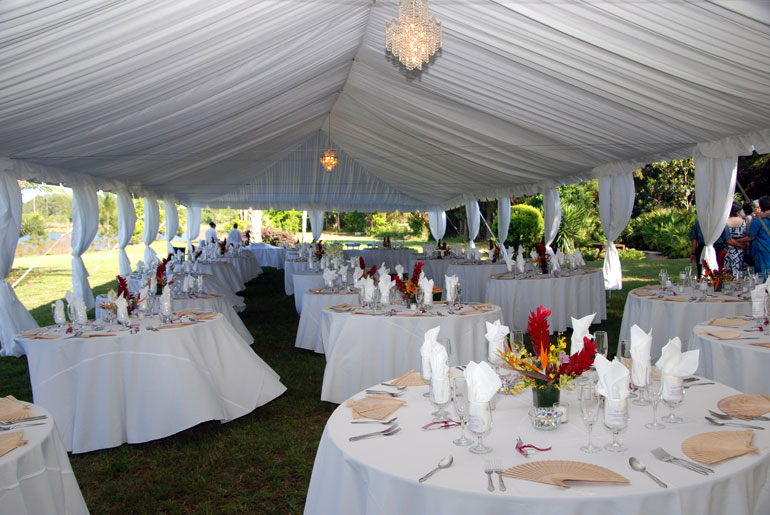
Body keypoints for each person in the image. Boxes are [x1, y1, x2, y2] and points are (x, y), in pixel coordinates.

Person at [739, 195, 770, 277]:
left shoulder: (757, 220)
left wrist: (736, 241)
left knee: (763, 273)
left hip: (762, 250)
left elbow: (750, 237)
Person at [723, 202, 747, 276]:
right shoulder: (744, 222)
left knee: (727, 272)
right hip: (740, 250)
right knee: (739, 272)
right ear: (739, 211)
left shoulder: (724, 222)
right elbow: (747, 235)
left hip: (727, 250)